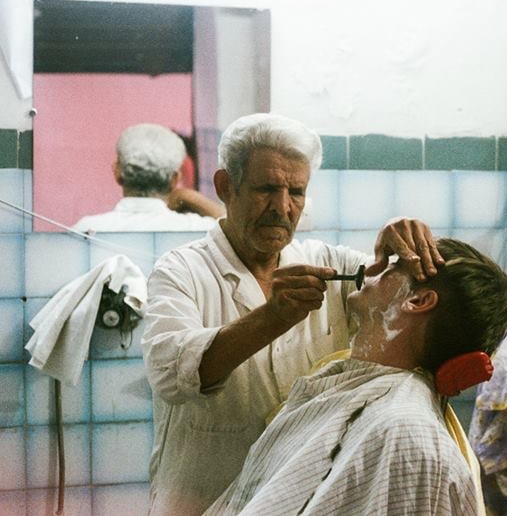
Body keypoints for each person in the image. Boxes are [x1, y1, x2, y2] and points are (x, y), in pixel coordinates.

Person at [141, 113, 445, 516]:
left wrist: (397, 238)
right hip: (200, 500)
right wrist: (271, 317)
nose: (282, 208)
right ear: (225, 187)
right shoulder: (181, 271)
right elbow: (169, 373)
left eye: (296, 192)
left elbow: (393, 287)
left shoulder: (329, 263)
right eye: (266, 189)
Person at [204, 237, 507, 516]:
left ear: (417, 301)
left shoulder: (408, 436)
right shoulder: (347, 392)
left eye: (393, 268)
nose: (371, 270)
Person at [73, 123, 224, 232]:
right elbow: (236, 227)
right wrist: (187, 196)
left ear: (117, 172)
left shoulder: (86, 229)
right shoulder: (198, 230)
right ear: (175, 179)